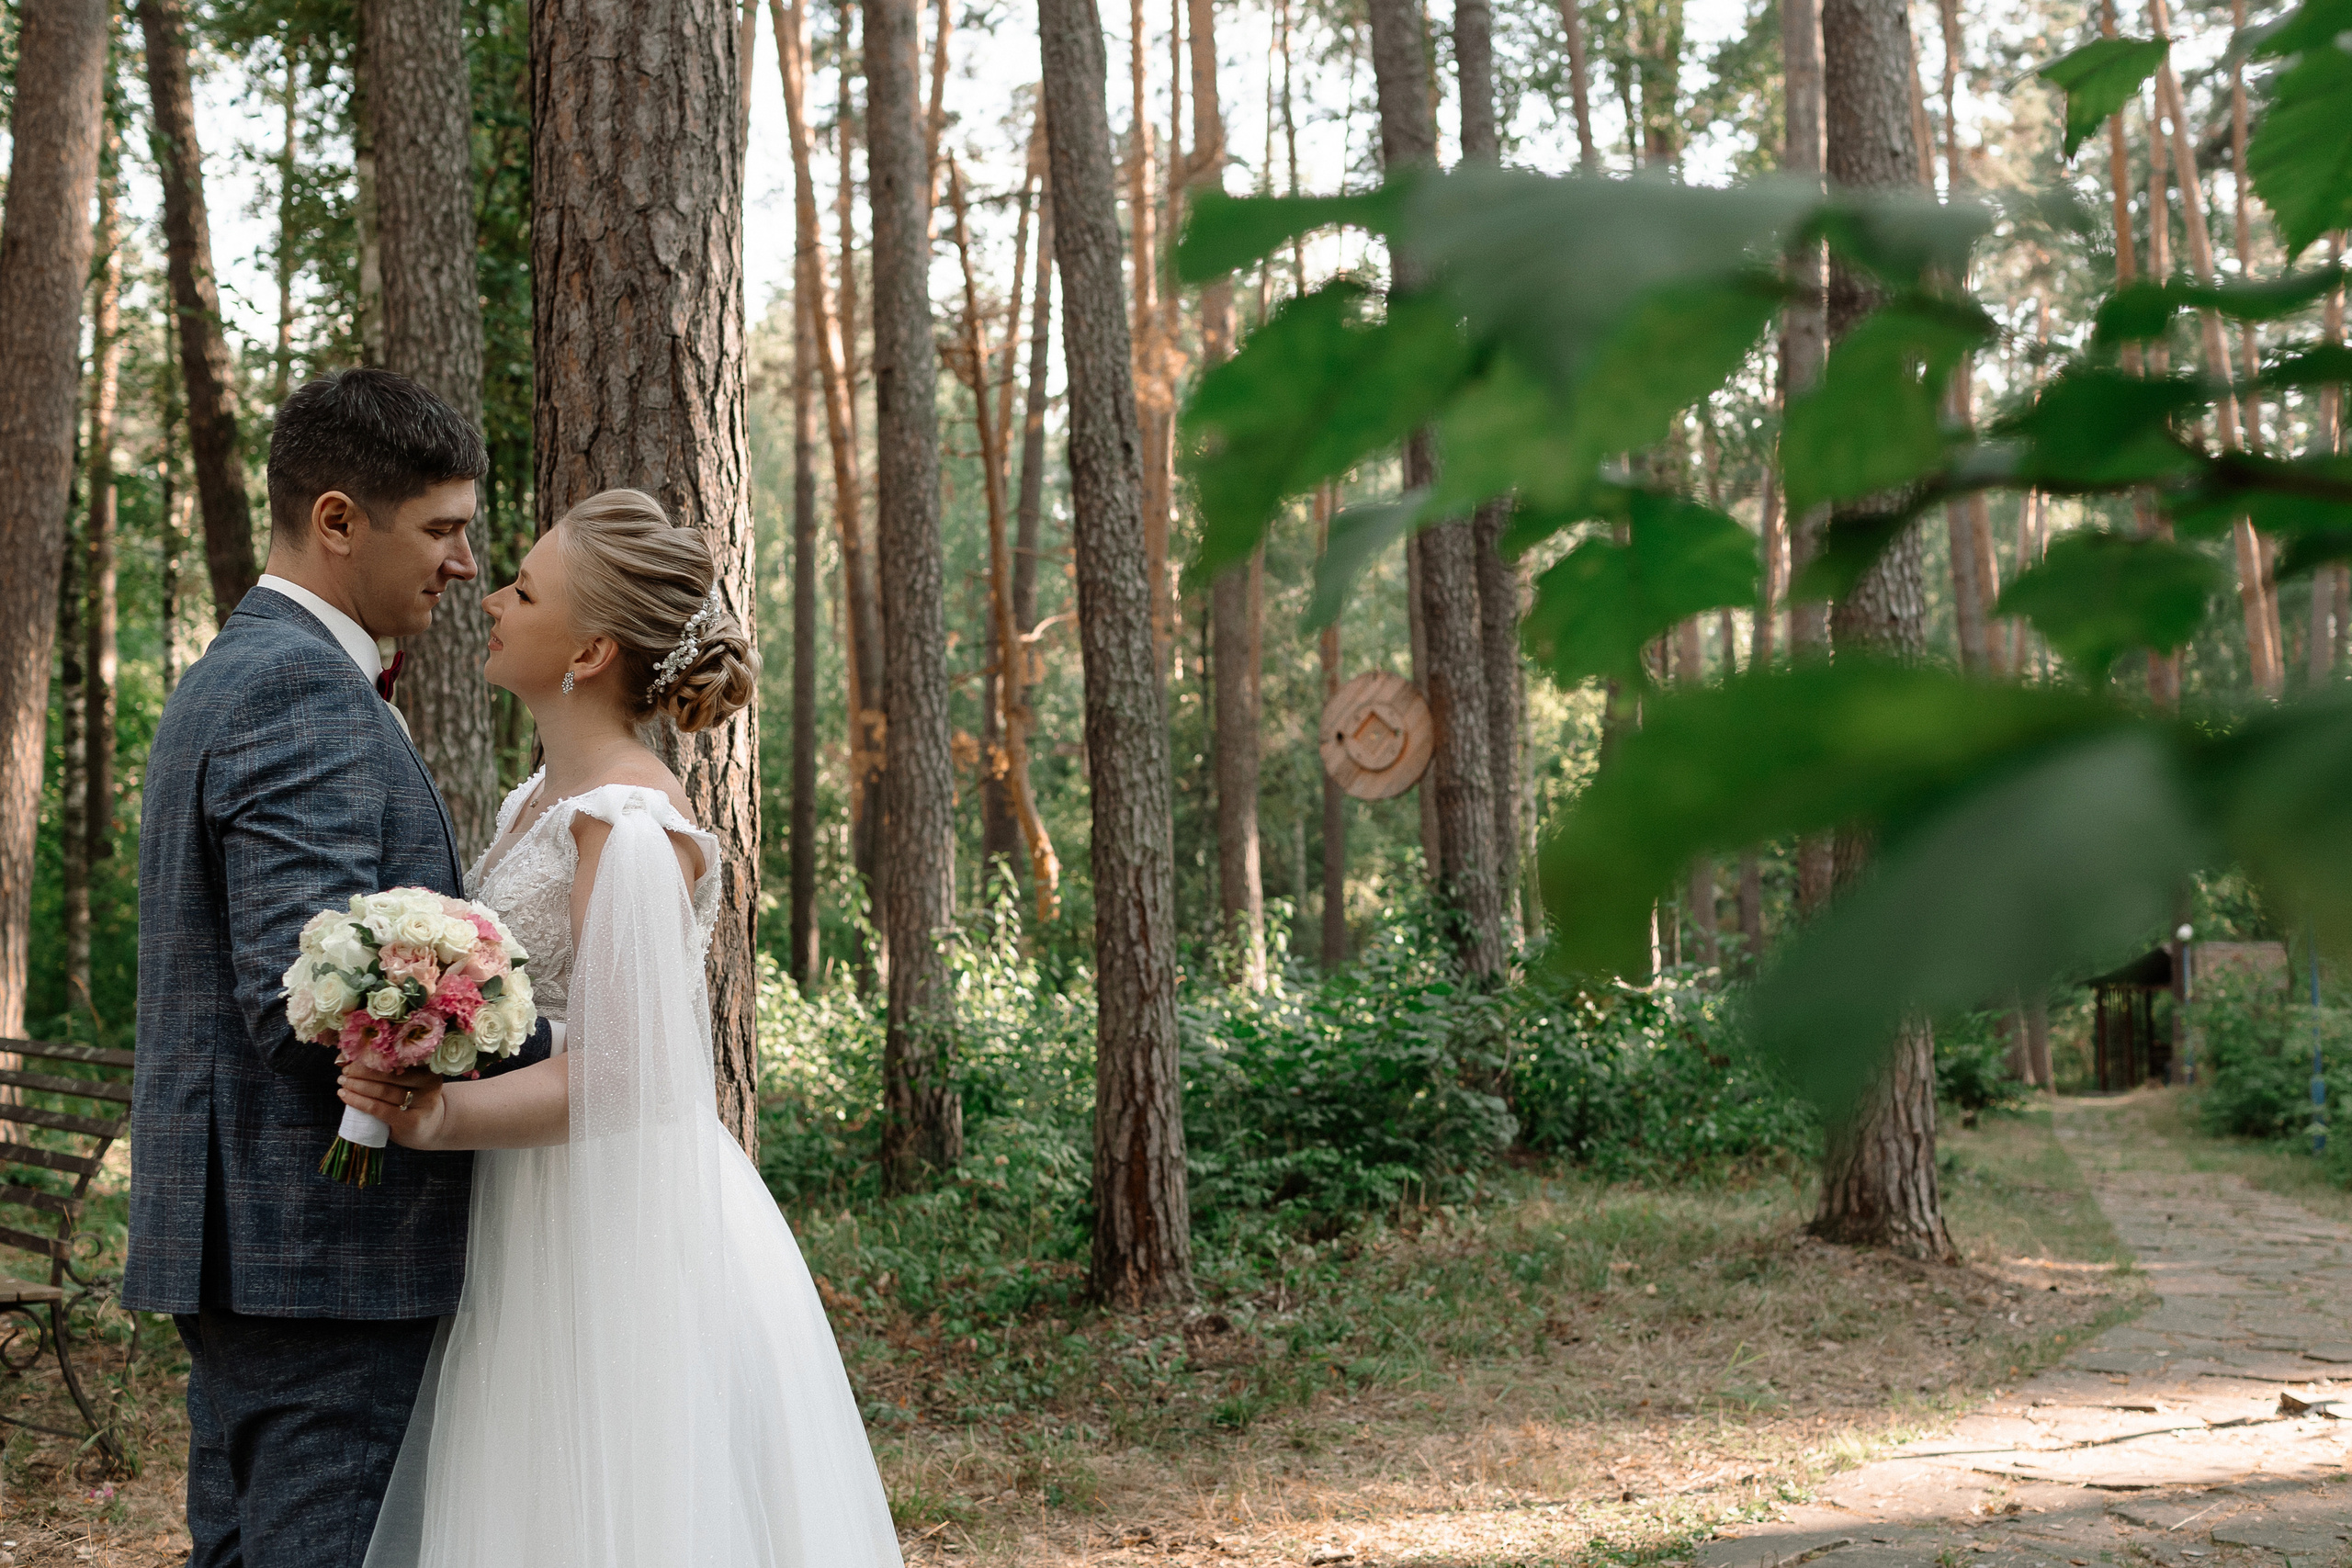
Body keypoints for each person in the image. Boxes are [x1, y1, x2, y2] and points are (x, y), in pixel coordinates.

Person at [338, 490, 903, 1568]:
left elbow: (634, 1072)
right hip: (535, 1204)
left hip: (613, 1221)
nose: (492, 597)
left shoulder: (632, 825)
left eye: (526, 589)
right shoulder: (534, 805)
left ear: (590, 649)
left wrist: (440, 1115)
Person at [127, 369, 554, 1568]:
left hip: (265, 1259)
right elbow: (307, 997)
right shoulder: (298, 693)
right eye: (441, 528)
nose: (465, 563)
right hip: (324, 1261)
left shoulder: (246, 667)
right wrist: (560, 1054)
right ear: (335, 519)